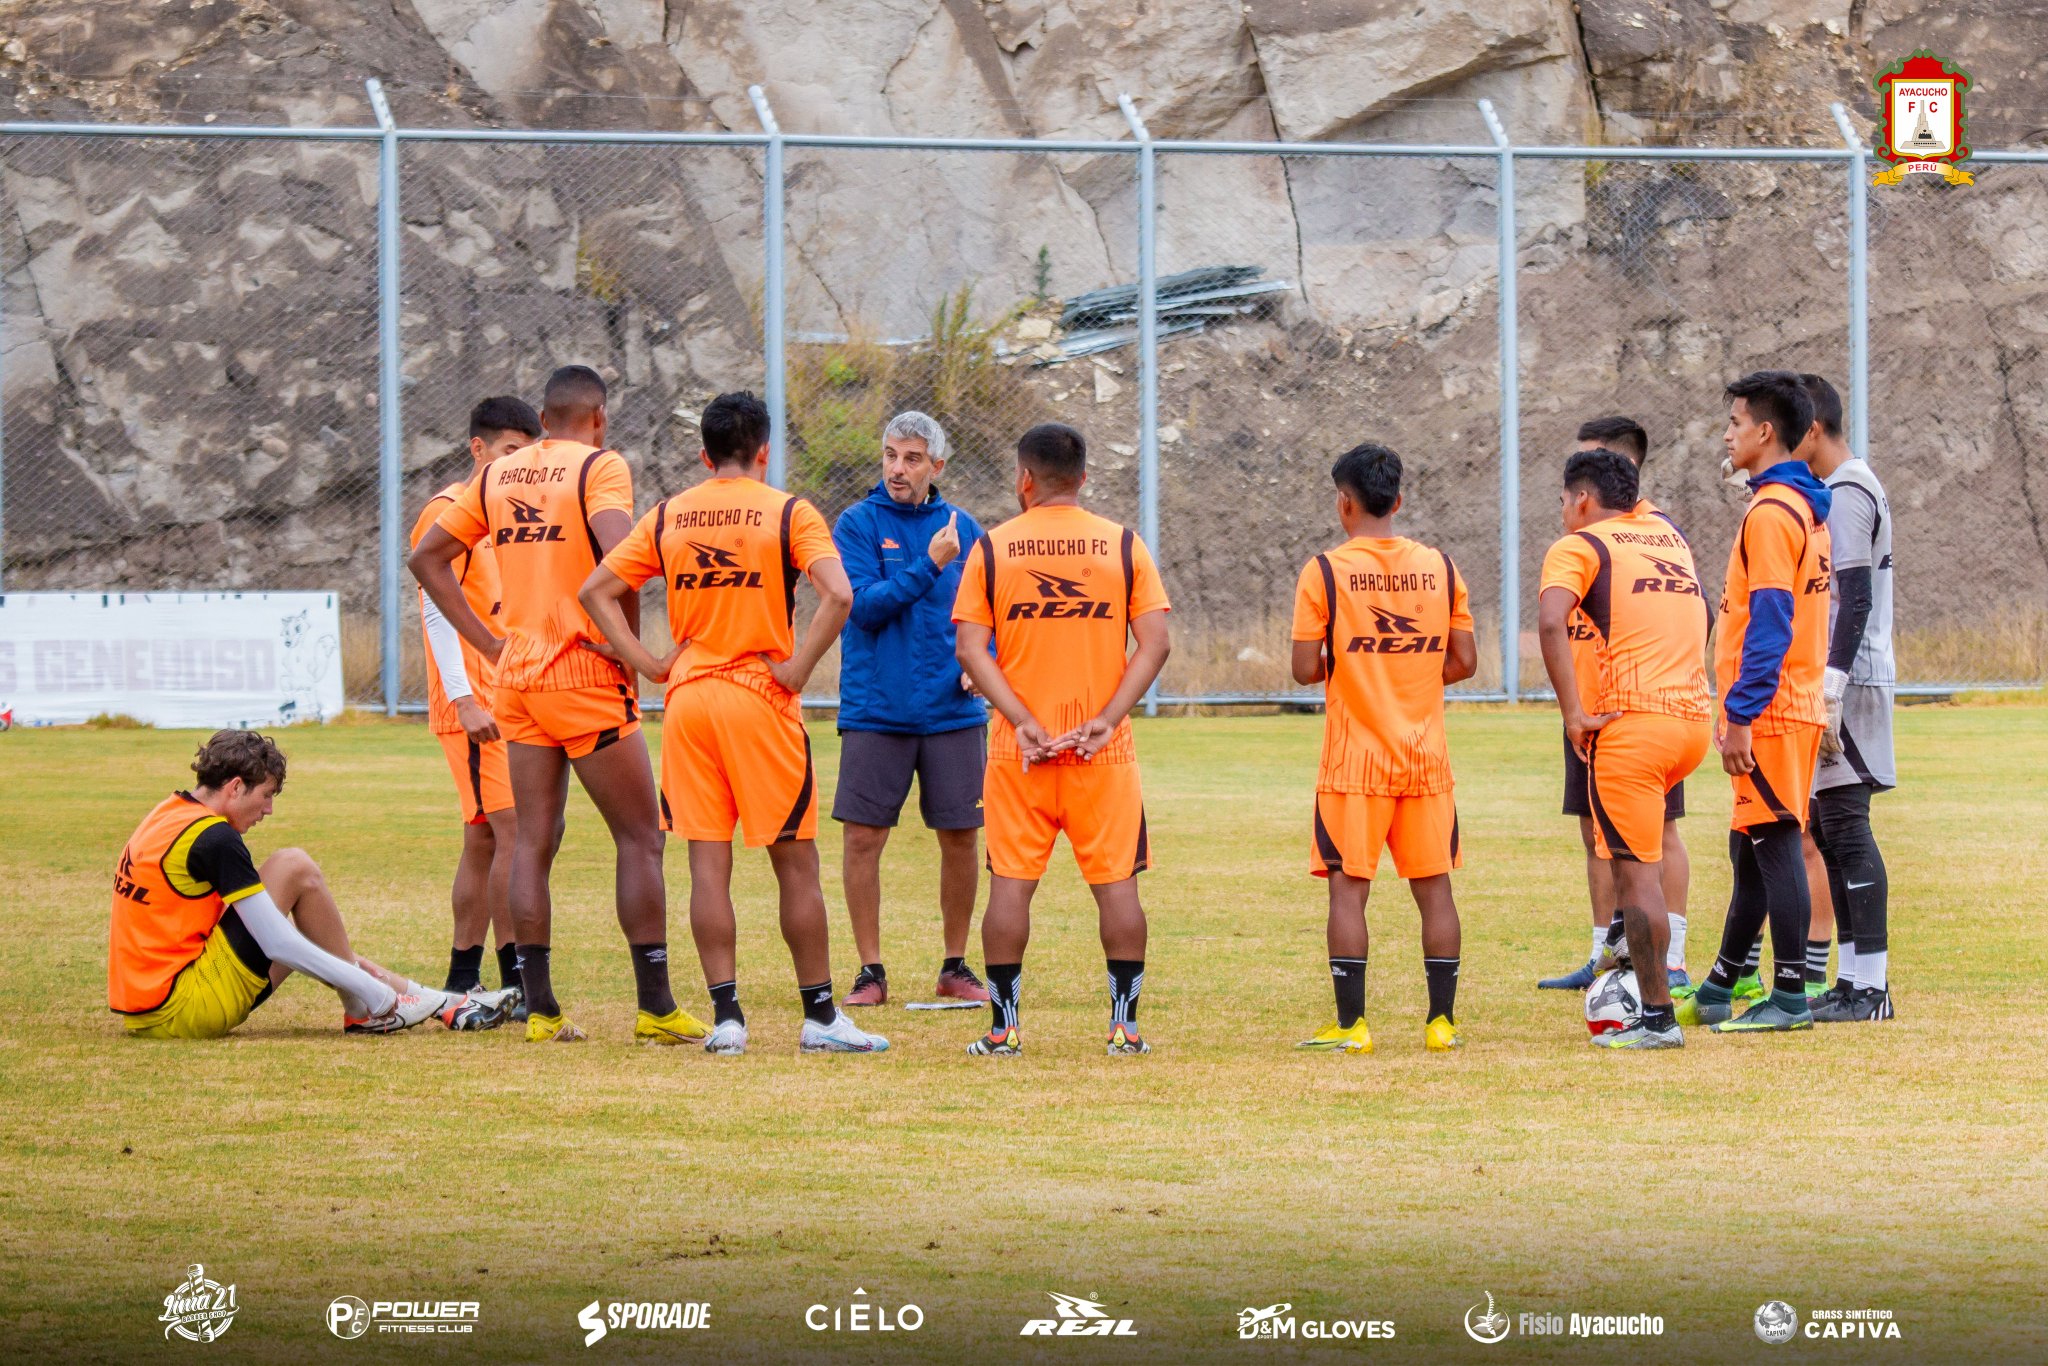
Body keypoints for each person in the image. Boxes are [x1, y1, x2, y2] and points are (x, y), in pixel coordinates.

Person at [579, 390, 886, 1056]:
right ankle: (821, 1017)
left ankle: (727, 1019)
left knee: (705, 866)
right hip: (758, 698)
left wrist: (651, 663)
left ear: (705, 453)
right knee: (794, 866)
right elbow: (839, 593)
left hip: (689, 701)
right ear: (764, 451)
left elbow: (595, 590)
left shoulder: (670, 514)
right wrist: (800, 666)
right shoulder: (788, 511)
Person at [410, 364, 707, 1046]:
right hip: (579, 673)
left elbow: (427, 559)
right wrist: (628, 654)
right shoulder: (601, 467)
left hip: (515, 679)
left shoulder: (497, 475)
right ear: (598, 418)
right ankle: (656, 1006)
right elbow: (620, 559)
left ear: (543, 422)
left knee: (532, 844)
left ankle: (539, 1008)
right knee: (640, 837)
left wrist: (489, 645)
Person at [952, 422, 1172, 1057]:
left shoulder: (992, 548)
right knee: (1119, 886)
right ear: (1083, 477)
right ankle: (1124, 1028)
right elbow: (1155, 642)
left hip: (1021, 750)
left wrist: (1021, 720)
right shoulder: (1123, 545)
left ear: (1024, 479)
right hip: (1102, 750)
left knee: (1009, 886)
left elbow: (970, 648)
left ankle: (1003, 1029)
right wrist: (1108, 717)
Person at [110, 730, 508, 1039]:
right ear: (234, 787)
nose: (268, 810)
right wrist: (372, 991)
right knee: (294, 868)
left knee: (308, 928)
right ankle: (379, 1006)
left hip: (147, 1009)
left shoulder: (169, 811)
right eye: (266, 796)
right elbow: (278, 944)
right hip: (181, 1009)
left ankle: (443, 1003)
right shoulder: (214, 838)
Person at [1289, 442, 1476, 1055]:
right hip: (1425, 759)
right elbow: (1466, 661)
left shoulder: (1324, 571)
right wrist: (1414, 674)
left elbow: (1302, 667)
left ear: (1344, 504)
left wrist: (1359, 667)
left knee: (1349, 889)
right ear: (1398, 500)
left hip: (1355, 763)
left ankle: (1352, 1027)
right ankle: (1441, 1024)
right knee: (1435, 891)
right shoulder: (1441, 568)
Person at [1536, 449, 1713, 1049]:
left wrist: (1573, 713)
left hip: (1634, 725)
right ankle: (1634, 965)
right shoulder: (1666, 536)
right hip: (1689, 720)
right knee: (1646, 852)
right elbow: (1701, 611)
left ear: (1582, 499)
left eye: (1563, 501)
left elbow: (1550, 621)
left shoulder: (1581, 544)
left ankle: (1656, 1018)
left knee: (1636, 877)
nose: (1563, 512)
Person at [1678, 370, 1832, 1034]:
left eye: (1735, 422)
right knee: (1748, 847)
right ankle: (1718, 986)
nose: (1727, 432)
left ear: (1766, 432)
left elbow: (1771, 620)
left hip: (1770, 710)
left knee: (1773, 843)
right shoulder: (1800, 507)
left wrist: (1740, 713)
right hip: (1788, 704)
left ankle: (1791, 996)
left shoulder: (1773, 514)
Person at [829, 412, 991, 1008]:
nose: (898, 468)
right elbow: (864, 606)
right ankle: (870, 970)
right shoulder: (857, 524)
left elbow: (988, 612)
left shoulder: (965, 529)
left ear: (937, 467)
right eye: (891, 455)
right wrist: (930, 563)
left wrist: (984, 663)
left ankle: (955, 964)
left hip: (953, 713)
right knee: (863, 840)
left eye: (913, 458)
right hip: (878, 710)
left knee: (961, 837)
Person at [408, 396, 540, 1009]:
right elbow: (436, 607)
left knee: (485, 836)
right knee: (511, 828)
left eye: (527, 454)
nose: (516, 465)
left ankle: (464, 976)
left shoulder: (502, 515)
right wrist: (462, 698)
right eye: (509, 452)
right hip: (472, 701)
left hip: (504, 692)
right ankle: (517, 978)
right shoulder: (446, 512)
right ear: (477, 450)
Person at [1796, 374, 1896, 1021]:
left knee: (1848, 827)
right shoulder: (1834, 490)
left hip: (1852, 678)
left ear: (1812, 429)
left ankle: (1873, 987)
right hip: (1840, 674)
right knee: (1829, 829)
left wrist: (1832, 683)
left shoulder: (1850, 489)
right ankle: (1852, 980)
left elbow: (1855, 596)